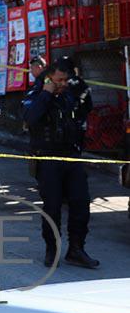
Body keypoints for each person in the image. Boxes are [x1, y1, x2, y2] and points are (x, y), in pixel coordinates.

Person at [22, 58, 98, 269]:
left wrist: (80, 85)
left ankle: (76, 249)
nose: (63, 83)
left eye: (66, 80)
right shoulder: (36, 94)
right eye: (59, 80)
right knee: (52, 207)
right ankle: (51, 250)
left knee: (81, 204)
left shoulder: (69, 95)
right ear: (49, 78)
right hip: (47, 159)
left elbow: (86, 107)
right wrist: (46, 93)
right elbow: (30, 117)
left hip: (71, 157)